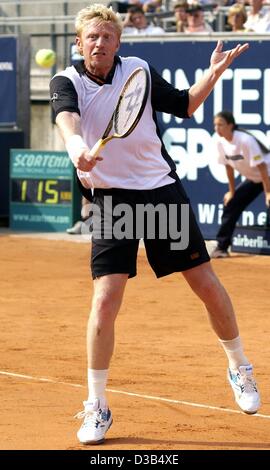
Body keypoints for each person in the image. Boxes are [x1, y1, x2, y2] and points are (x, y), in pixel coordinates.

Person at [50, 3, 260, 445]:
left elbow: (185, 104)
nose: (100, 43)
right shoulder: (66, 81)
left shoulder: (138, 71)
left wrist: (213, 73)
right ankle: (97, 406)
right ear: (78, 42)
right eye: (92, 36)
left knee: (204, 282)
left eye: (108, 36)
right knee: (105, 300)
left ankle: (239, 366)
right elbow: (66, 121)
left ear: (118, 43)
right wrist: (77, 150)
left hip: (159, 190)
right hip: (112, 200)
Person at [211, 111, 270, 258]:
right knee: (231, 204)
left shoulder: (245, 140)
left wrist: (268, 193)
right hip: (253, 179)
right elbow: (228, 167)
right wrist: (232, 191)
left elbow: (263, 167)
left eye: (221, 125)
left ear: (230, 125)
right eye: (215, 125)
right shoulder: (220, 143)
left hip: (267, 176)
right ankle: (221, 247)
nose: (217, 128)